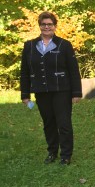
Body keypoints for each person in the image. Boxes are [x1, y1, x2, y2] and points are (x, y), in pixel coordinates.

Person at [20, 12, 82, 165]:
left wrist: (76, 92)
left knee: (64, 123)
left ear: (55, 26)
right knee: (48, 123)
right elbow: (24, 72)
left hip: (62, 90)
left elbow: (74, 70)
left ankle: (66, 155)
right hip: (41, 91)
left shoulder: (64, 45)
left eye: (50, 24)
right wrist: (25, 94)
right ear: (40, 26)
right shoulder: (29, 46)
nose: (46, 27)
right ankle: (52, 152)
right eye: (44, 24)